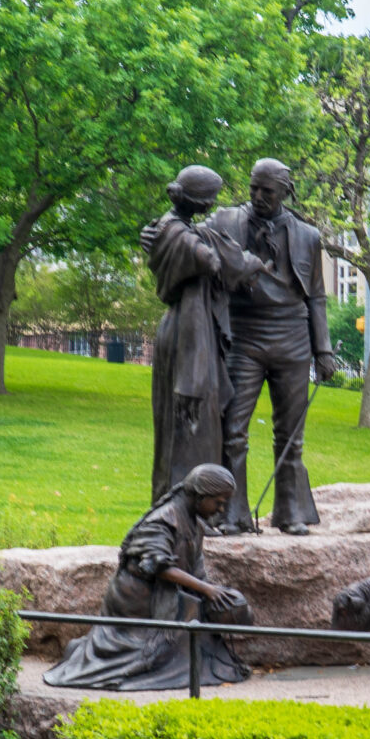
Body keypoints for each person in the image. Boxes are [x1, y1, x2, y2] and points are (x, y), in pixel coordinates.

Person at [208, 159, 340, 534]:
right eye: (254, 188)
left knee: (290, 435)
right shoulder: (226, 221)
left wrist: (323, 350)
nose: (258, 196)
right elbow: (189, 234)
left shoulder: (307, 236)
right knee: (232, 429)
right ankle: (231, 514)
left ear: (286, 192)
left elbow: (316, 296)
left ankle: (290, 512)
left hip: (292, 337)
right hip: (244, 334)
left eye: (267, 190)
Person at [42, 464, 253, 691]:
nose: (221, 510)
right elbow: (157, 567)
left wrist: (217, 594)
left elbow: (197, 569)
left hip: (167, 596)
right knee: (157, 652)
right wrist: (206, 590)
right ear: (200, 496)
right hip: (138, 602)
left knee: (202, 638)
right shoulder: (164, 520)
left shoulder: (195, 524)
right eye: (218, 502)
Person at [143, 166, 264, 505]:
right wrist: (242, 259)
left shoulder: (169, 228)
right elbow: (211, 261)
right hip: (189, 335)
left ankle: (186, 508)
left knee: (190, 428)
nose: (212, 206)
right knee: (190, 428)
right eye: (210, 199)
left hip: (187, 331)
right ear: (198, 201)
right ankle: (183, 509)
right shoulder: (180, 236)